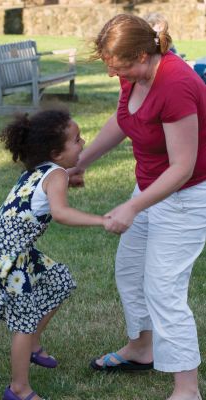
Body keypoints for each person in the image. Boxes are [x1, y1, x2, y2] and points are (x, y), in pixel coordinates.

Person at [69, 13, 206, 400]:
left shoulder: (176, 83)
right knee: (130, 271)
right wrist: (82, 161)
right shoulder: (135, 75)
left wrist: (132, 208)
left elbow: (182, 167)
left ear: (144, 54)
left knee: (164, 289)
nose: (115, 76)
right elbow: (122, 119)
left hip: (186, 196)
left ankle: (187, 389)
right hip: (150, 188)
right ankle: (142, 349)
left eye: (121, 67)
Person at [0, 108, 107, 400]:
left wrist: (70, 177)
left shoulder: (43, 169)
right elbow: (61, 213)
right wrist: (101, 220)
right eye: (76, 140)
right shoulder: (56, 174)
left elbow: (52, 186)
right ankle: (19, 389)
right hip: (7, 260)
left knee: (60, 281)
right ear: (55, 152)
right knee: (23, 321)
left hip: (6, 251)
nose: (83, 142)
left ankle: (34, 344)